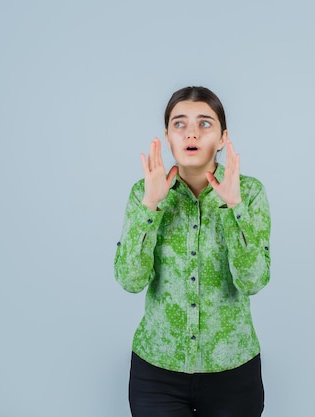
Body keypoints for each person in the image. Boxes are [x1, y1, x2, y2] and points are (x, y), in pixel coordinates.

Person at [114, 86, 271, 417]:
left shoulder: (250, 193)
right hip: (157, 372)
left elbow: (253, 281)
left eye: (205, 123)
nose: (192, 133)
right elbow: (130, 279)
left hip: (233, 371)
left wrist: (234, 208)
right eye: (180, 123)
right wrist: (150, 207)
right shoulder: (144, 193)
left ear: (222, 137)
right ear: (167, 137)